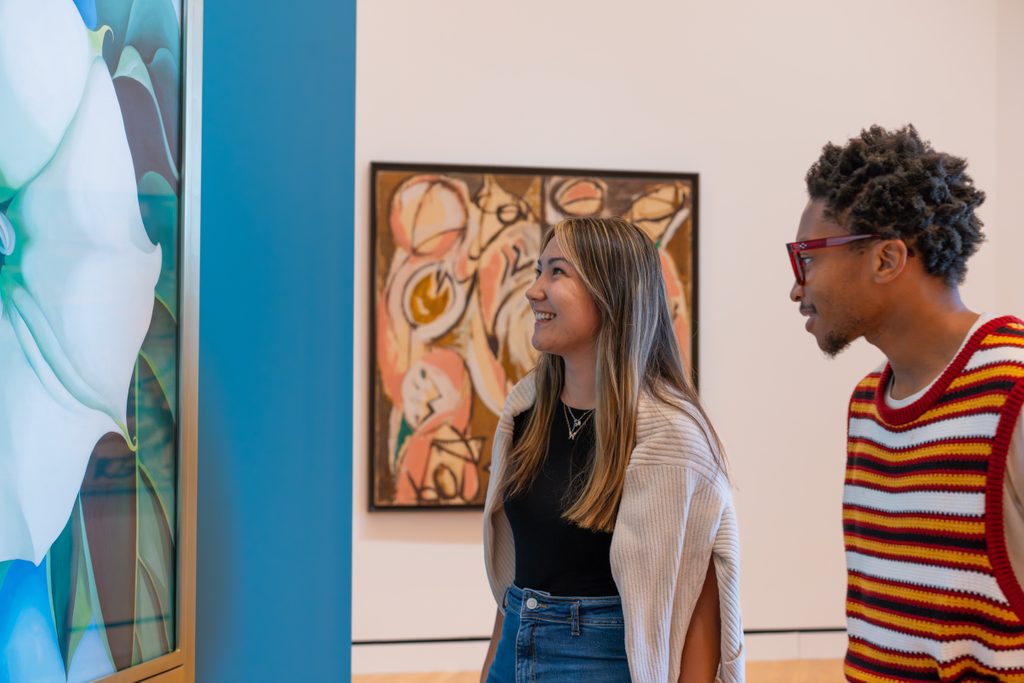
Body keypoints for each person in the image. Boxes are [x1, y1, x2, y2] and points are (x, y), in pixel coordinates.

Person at [789, 125, 1024, 681]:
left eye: (807, 258)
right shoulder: (868, 404)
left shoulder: (1013, 385)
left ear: (887, 258)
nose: (797, 288)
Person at [480, 216, 744, 683]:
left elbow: (698, 607)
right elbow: (514, 583)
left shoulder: (672, 437)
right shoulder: (525, 415)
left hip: (606, 665)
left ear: (612, 291)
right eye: (538, 271)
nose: (534, 290)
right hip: (515, 650)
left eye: (557, 272)